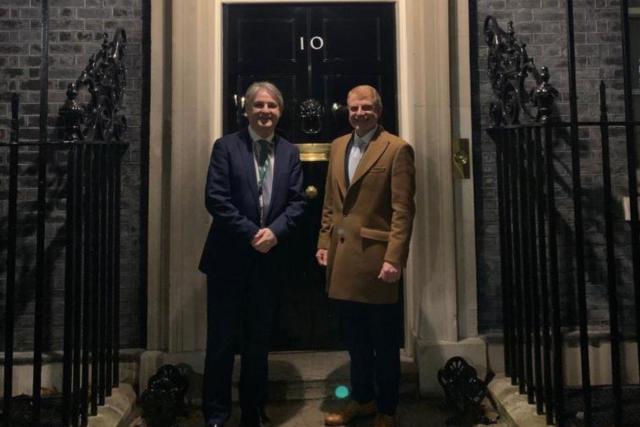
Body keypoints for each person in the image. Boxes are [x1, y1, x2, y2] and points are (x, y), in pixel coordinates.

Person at [199, 81, 305, 427]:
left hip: (267, 261)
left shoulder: (289, 151)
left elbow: (297, 201)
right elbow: (216, 198)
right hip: (229, 260)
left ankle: (252, 411)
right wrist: (252, 234)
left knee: (258, 343)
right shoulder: (226, 147)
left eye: (272, 106)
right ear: (246, 110)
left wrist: (274, 233)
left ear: (280, 111)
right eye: (258, 105)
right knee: (222, 342)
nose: (265, 112)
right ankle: (215, 413)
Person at [316, 85, 416, 427]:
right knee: (355, 341)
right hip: (342, 260)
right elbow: (331, 202)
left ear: (379, 110)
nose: (360, 113)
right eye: (354, 108)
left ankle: (387, 409)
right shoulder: (338, 145)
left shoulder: (398, 149)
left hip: (377, 261)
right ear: (347, 110)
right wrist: (323, 242)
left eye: (367, 108)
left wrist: (395, 258)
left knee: (384, 344)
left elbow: (403, 210)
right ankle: (362, 400)